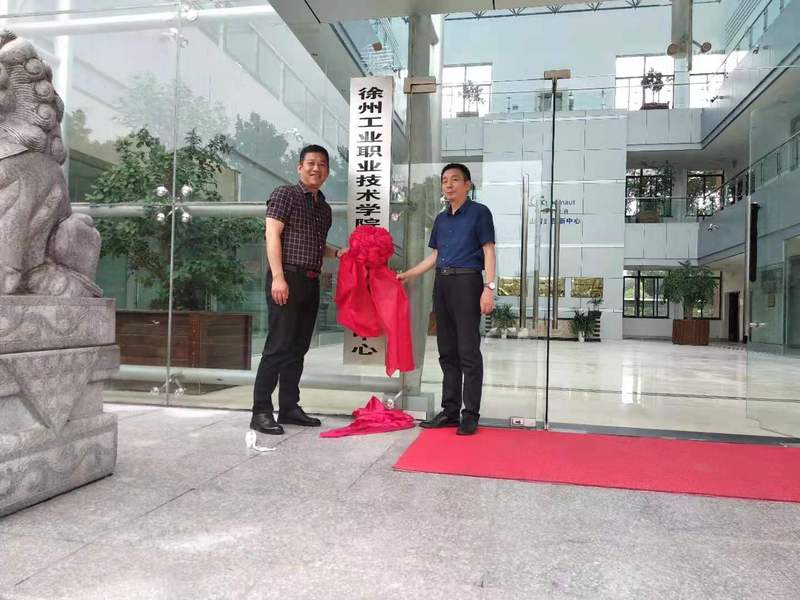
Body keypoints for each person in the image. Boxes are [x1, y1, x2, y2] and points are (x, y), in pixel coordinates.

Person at [250, 145, 346, 435]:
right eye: (311, 163)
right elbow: (272, 234)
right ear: (300, 167)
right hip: (287, 278)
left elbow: (316, 244)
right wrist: (278, 277)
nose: (316, 168)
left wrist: (338, 253)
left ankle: (289, 407)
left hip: (311, 281)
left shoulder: (323, 208)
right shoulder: (285, 194)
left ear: (327, 171)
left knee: (298, 348)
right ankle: (261, 411)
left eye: (322, 164)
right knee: (278, 346)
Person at [398, 163, 496, 435]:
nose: (449, 185)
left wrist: (489, 288)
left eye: (455, 179)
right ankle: (450, 411)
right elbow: (435, 256)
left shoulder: (480, 213)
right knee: (447, 351)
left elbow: (489, 251)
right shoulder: (441, 219)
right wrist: (409, 274)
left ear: (467, 185)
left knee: (468, 351)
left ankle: (470, 414)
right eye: (444, 180)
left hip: (467, 282)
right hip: (442, 283)